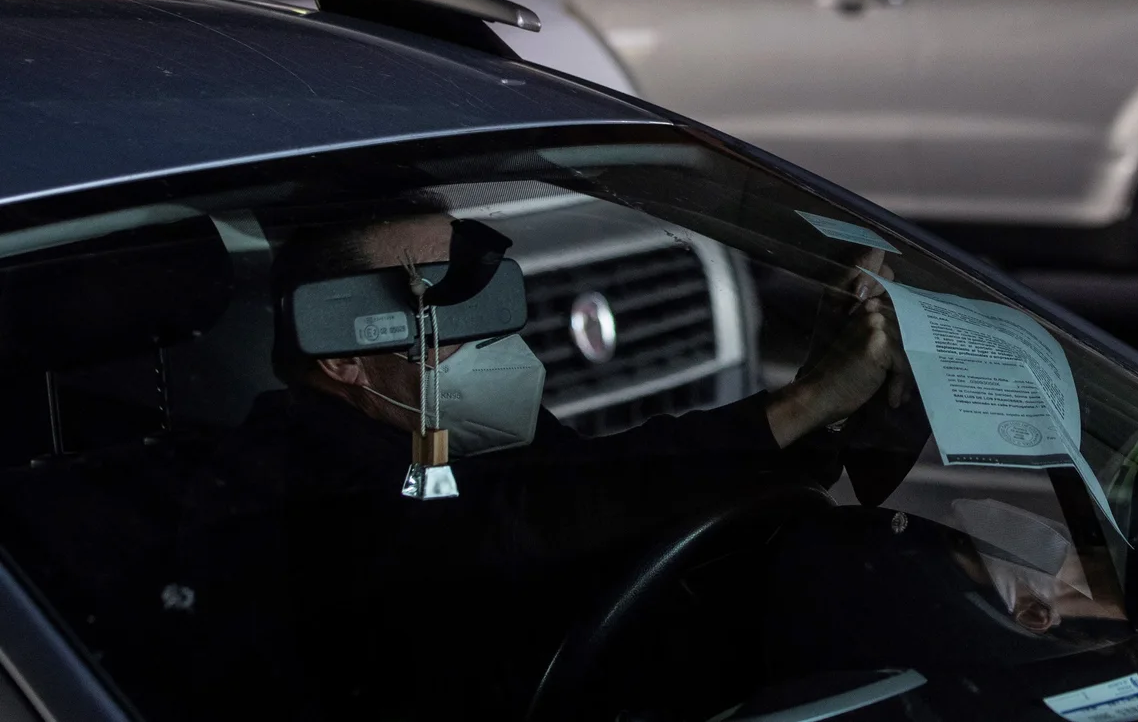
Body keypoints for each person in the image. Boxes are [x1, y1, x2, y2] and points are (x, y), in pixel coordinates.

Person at [166, 197, 908, 720]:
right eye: (446, 306)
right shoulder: (288, 481)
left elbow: (629, 494)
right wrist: (805, 400)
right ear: (348, 355)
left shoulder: (437, 422)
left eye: (483, 296)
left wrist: (823, 405)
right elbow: (529, 518)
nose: (485, 332)